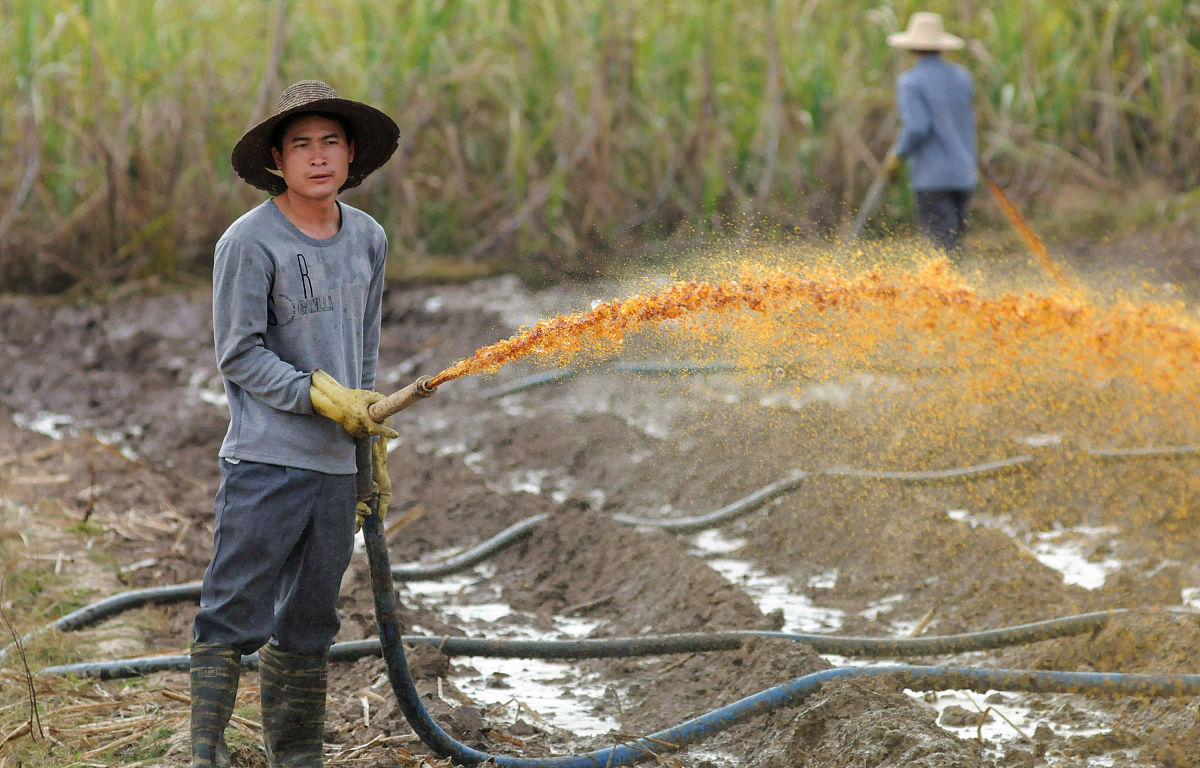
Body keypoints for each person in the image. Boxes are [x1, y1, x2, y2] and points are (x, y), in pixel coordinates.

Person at [190, 80, 401, 768]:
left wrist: (367, 437)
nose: (317, 157)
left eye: (330, 142)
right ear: (277, 160)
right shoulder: (249, 242)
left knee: (313, 617)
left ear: (351, 155)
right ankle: (205, 752)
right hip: (267, 459)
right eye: (301, 144)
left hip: (337, 468)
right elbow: (240, 354)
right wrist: (315, 394)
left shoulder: (367, 237)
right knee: (233, 609)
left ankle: (298, 755)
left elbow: (364, 351)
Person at [884, 11, 977, 256]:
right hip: (963, 173)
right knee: (954, 239)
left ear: (913, 48)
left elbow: (916, 128)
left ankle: (953, 292)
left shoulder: (911, 82)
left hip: (933, 177)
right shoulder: (961, 77)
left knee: (942, 247)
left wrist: (897, 156)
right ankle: (961, 288)